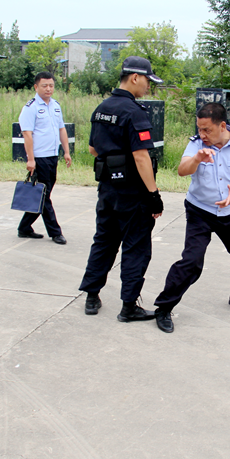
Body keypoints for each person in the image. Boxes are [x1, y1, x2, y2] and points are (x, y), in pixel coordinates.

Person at [153, 103, 230, 333]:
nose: (202, 134)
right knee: (192, 262)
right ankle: (163, 308)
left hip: (229, 212)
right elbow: (182, 170)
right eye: (199, 129)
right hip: (199, 211)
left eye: (207, 130)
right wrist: (197, 159)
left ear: (222, 126)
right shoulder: (196, 145)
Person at [78, 56, 164, 322]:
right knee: (136, 247)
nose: (149, 86)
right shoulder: (134, 112)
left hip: (107, 190)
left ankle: (92, 296)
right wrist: (154, 195)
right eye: (148, 80)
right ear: (135, 78)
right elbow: (141, 157)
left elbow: (93, 148)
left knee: (104, 241)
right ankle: (129, 306)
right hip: (132, 194)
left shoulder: (102, 108)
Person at [17, 71, 72, 244]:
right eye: (44, 86)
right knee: (44, 195)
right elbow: (27, 135)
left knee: (42, 194)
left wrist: (66, 151)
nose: (48, 89)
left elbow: (61, 129)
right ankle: (55, 232)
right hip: (39, 158)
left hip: (52, 156)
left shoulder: (55, 105)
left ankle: (24, 227)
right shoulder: (30, 108)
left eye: (51, 85)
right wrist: (30, 159)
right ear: (36, 87)